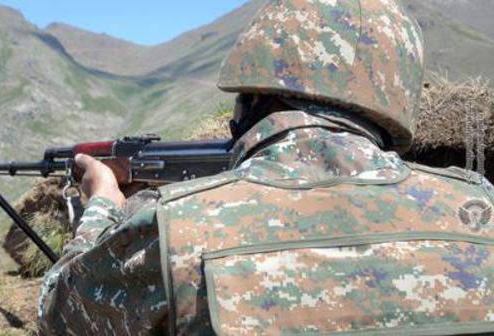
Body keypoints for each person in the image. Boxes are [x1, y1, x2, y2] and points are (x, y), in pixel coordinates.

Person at [38, 0, 494, 335]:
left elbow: (60, 315)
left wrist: (102, 203)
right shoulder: (480, 211)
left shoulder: (172, 226)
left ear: (253, 97)